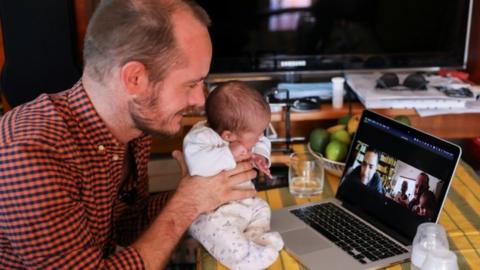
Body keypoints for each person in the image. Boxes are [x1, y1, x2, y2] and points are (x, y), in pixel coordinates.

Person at [0, 1, 258, 269]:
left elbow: (125, 226)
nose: (200, 100)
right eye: (191, 83)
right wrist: (188, 204)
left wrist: (194, 190)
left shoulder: (133, 128)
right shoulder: (29, 153)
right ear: (135, 79)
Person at [184, 81, 283, 269]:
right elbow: (198, 165)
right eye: (255, 137)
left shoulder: (242, 131)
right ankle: (246, 260)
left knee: (262, 208)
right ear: (229, 136)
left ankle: (254, 238)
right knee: (219, 233)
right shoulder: (199, 138)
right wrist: (229, 154)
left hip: (243, 204)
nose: (260, 138)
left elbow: (262, 140)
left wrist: (260, 155)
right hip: (212, 211)